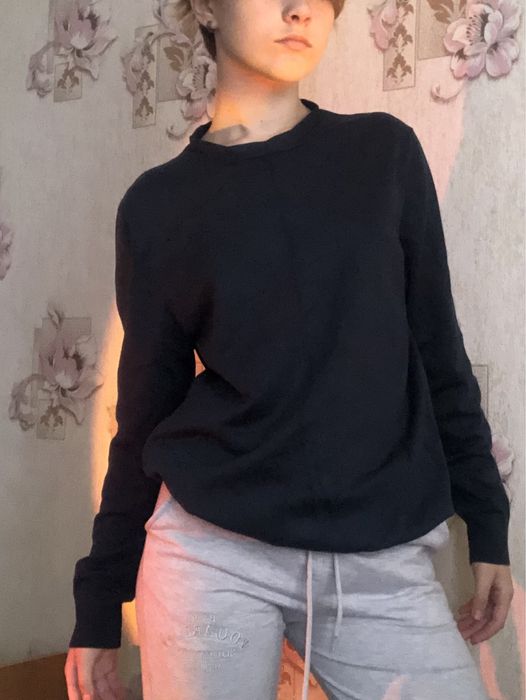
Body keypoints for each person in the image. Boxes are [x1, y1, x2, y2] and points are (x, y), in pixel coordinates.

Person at [65, 1, 514, 699]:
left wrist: (488, 522)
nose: (299, 9)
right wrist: (100, 601)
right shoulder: (157, 206)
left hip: (380, 562)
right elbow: (145, 415)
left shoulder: (383, 154)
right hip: (212, 559)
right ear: (205, 6)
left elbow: (438, 352)